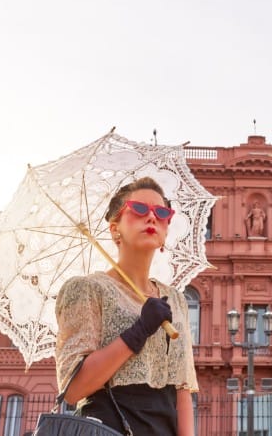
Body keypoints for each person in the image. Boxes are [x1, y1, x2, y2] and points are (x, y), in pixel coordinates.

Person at [55, 177, 197, 436]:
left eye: (161, 212)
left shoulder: (175, 299)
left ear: (166, 230)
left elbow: (182, 388)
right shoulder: (87, 289)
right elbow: (74, 390)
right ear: (114, 229)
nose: (151, 217)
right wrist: (140, 329)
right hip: (108, 429)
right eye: (139, 209)